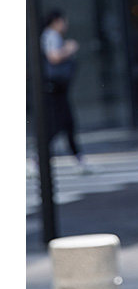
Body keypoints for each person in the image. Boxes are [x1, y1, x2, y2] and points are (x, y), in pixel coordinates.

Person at [38, 9, 89, 172]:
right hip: (54, 87)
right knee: (60, 124)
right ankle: (38, 159)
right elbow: (54, 57)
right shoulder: (51, 35)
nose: (66, 24)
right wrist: (69, 48)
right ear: (57, 21)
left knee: (65, 124)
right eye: (63, 21)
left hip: (58, 88)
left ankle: (78, 159)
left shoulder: (51, 36)